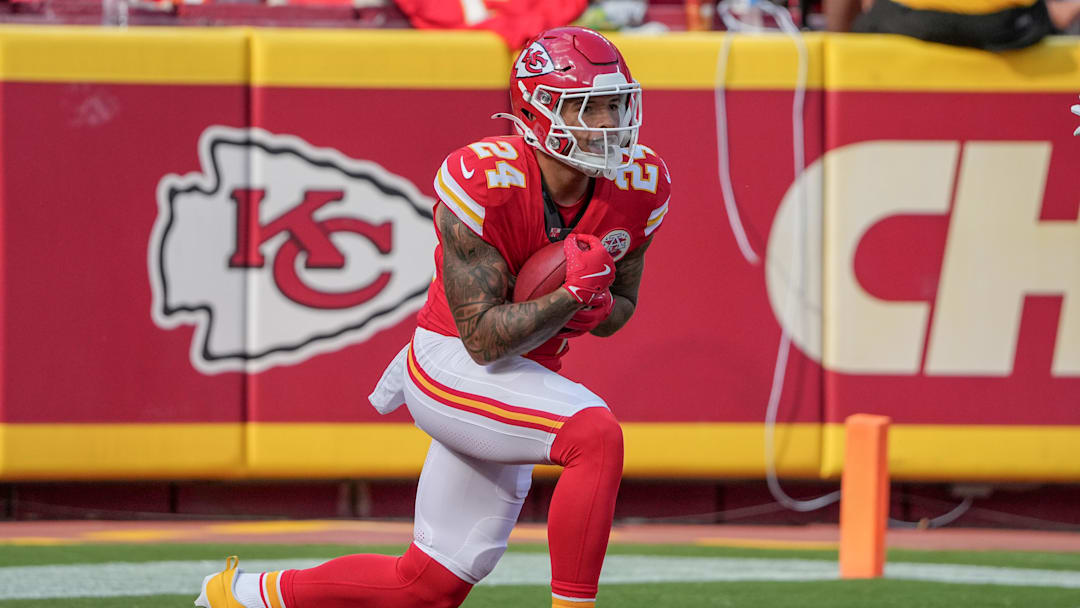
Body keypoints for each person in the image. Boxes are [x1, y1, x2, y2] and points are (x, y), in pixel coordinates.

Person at [194, 25, 671, 608]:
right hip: (450, 360)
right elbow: (483, 340)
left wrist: (593, 305)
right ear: (539, 111)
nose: (609, 123)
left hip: (527, 375)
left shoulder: (639, 185)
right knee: (594, 435)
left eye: (614, 104)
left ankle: (241, 596)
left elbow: (621, 308)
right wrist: (568, 297)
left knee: (427, 587)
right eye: (589, 107)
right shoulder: (487, 179)